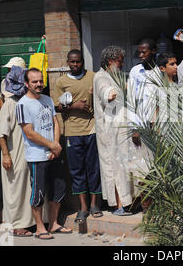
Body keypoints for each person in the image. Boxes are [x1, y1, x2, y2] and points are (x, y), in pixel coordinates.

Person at [16, 68, 72, 239]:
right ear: (26, 84)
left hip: (53, 154)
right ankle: (40, 228)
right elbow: (29, 132)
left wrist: (55, 146)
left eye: (40, 81)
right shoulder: (22, 105)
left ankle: (54, 223)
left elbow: (56, 123)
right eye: (35, 82)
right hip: (36, 157)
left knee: (58, 189)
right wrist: (52, 146)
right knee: (38, 193)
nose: (39, 84)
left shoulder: (47, 99)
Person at [52, 49, 103, 222]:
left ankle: (95, 204)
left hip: (92, 130)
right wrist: (74, 106)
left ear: (83, 62)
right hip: (72, 133)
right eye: (72, 62)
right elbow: (56, 107)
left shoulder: (93, 76)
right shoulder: (61, 82)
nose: (75, 65)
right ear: (68, 62)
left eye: (78, 62)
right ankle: (83, 207)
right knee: (77, 170)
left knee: (94, 168)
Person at [94, 45, 135, 216]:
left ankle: (128, 202)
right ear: (110, 61)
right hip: (109, 132)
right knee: (114, 167)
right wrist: (119, 90)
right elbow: (107, 93)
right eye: (119, 60)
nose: (122, 63)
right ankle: (119, 205)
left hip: (121, 130)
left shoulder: (115, 75)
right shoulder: (101, 77)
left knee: (124, 166)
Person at [0, 66, 38, 237]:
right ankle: (14, 225)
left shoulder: (26, 102)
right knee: (14, 191)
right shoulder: (9, 104)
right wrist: (6, 155)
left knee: (25, 189)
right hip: (14, 154)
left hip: (27, 153)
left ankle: (27, 223)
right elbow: (1, 133)